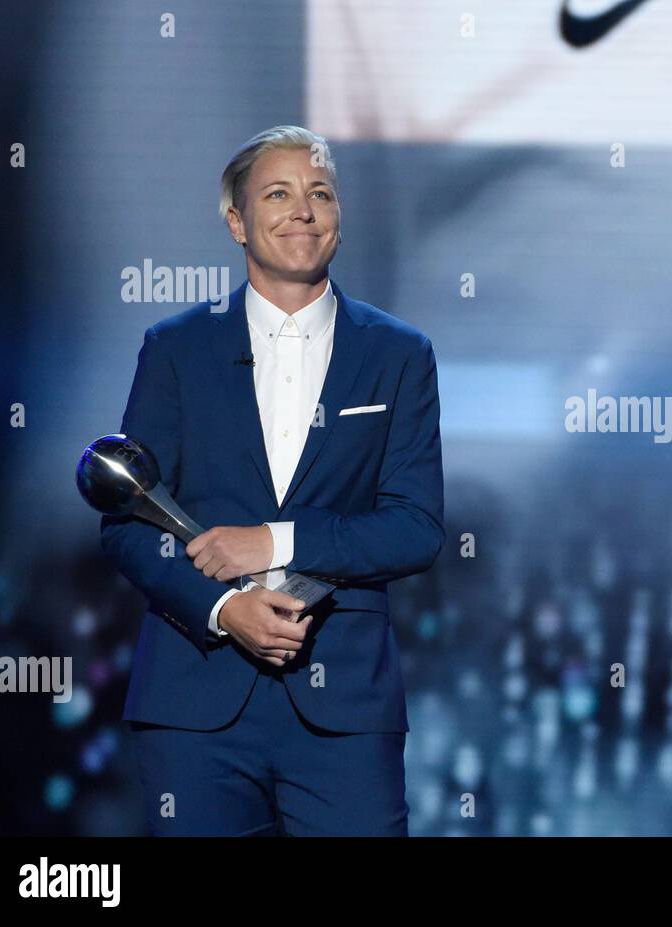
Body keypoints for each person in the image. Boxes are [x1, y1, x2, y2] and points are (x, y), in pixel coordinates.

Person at [101, 125, 444, 835]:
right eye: (279, 193)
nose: (304, 210)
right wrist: (225, 610)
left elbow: (416, 527)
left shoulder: (399, 353)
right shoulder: (175, 348)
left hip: (345, 708)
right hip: (195, 707)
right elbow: (130, 526)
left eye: (320, 193)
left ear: (339, 218)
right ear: (236, 221)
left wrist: (274, 540)